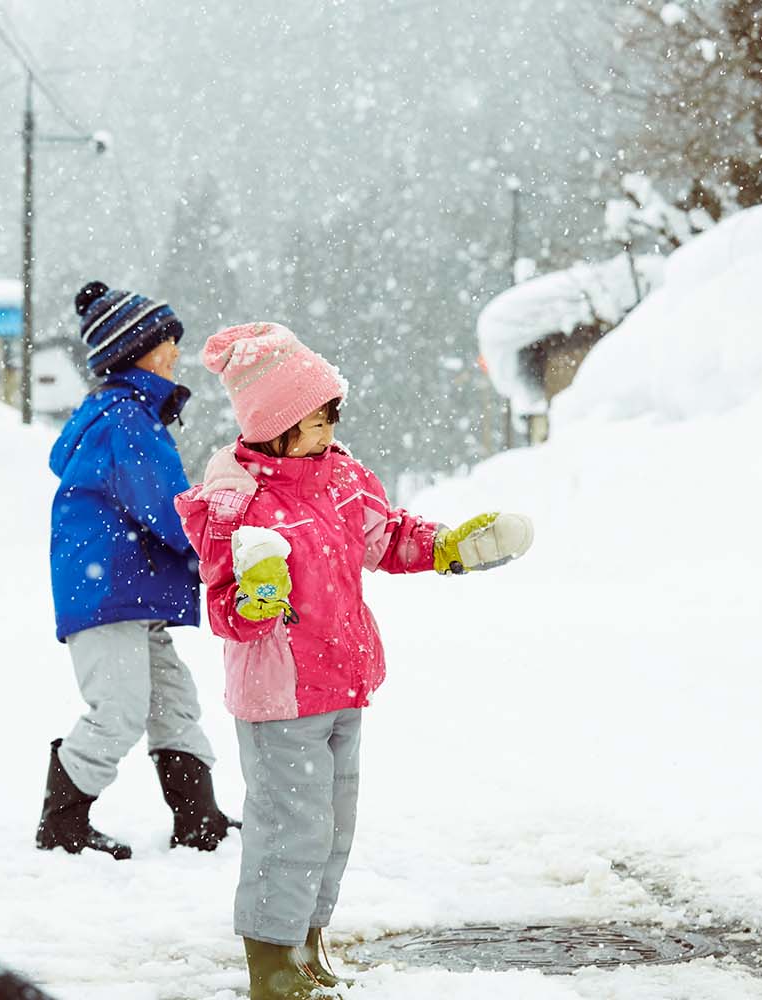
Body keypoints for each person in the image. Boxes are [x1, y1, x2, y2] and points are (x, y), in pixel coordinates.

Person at [175, 322, 534, 1000]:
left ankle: (308, 943)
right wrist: (254, 602)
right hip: (280, 696)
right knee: (290, 829)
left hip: (342, 682)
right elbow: (221, 605)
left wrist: (449, 547)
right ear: (272, 424)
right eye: (312, 422)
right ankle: (270, 961)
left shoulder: (340, 476)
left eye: (330, 417)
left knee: (332, 828)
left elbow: (387, 536)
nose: (326, 432)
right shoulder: (236, 500)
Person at [36, 281, 239, 861]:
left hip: (128, 592)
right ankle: (62, 822)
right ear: (135, 351)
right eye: (167, 341)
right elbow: (169, 508)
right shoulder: (127, 421)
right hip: (108, 594)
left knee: (173, 701)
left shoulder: (128, 416)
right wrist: (219, 555)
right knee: (119, 710)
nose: (177, 351)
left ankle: (198, 819)